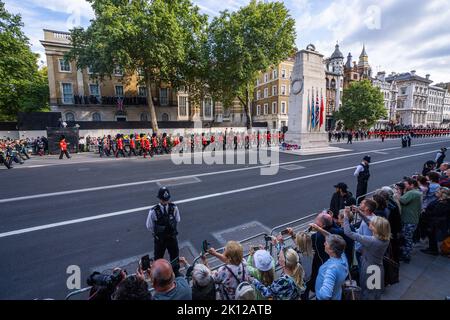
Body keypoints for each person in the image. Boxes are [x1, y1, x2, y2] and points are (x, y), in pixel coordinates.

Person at [343, 210, 391, 300]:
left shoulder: (371, 241)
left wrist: (345, 217)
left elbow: (348, 233)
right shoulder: (385, 238)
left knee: (367, 293)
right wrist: (360, 213)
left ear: (377, 229)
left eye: (372, 225)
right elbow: (369, 222)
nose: (370, 225)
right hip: (377, 267)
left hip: (369, 268)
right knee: (374, 292)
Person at [146, 187, 181, 273]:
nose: (165, 201)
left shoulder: (174, 208)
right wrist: (159, 233)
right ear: (160, 199)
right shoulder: (153, 211)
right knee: (158, 259)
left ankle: (175, 272)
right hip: (160, 239)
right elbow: (149, 226)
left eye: (167, 199)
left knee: (175, 257)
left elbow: (177, 220)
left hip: (172, 238)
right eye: (163, 199)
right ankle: (159, 275)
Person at [306, 231, 348, 300]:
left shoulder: (332, 268)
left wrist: (318, 294)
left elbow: (325, 295)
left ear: (332, 250)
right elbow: (336, 240)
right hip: (337, 295)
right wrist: (319, 228)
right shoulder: (343, 257)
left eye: (326, 243)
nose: (324, 243)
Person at [395, 177, 422, 263]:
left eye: (406, 184)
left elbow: (402, 200)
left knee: (407, 239)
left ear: (412, 185)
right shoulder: (416, 192)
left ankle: (406, 255)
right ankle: (406, 254)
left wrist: (399, 193)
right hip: (412, 220)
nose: (405, 186)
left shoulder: (412, 193)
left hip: (409, 220)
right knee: (407, 238)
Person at [421, 187, 450, 256]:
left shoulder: (443, 203)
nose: (435, 193)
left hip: (435, 222)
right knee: (431, 236)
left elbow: (435, 213)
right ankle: (432, 248)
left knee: (432, 236)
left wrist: (425, 211)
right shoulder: (441, 201)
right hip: (434, 222)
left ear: (443, 194)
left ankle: (433, 250)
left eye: (437, 192)